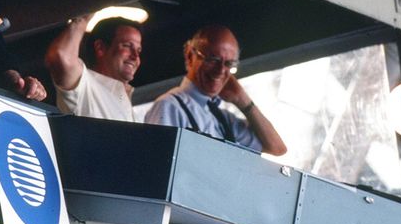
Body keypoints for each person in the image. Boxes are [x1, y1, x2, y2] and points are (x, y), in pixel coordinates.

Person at [144, 25, 286, 155]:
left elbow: (277, 148)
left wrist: (244, 101)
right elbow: (157, 161)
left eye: (229, 64)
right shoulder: (170, 106)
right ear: (190, 56)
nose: (220, 71)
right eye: (213, 59)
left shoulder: (224, 119)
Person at [44, 14, 142, 122]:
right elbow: (61, 55)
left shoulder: (129, 105)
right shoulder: (85, 85)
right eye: (127, 46)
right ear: (100, 47)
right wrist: (84, 16)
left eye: (138, 50)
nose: (135, 57)